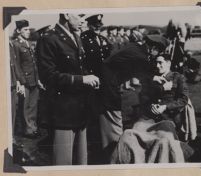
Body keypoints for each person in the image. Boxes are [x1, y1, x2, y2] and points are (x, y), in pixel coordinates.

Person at [36, 13, 100, 165]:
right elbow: (48, 76)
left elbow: (77, 67)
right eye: (79, 15)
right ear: (65, 14)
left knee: (81, 161)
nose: (83, 20)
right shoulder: (49, 38)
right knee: (63, 163)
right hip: (62, 112)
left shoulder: (75, 37)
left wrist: (90, 78)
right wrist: (82, 79)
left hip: (81, 109)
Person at [110, 53, 193, 164]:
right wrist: (152, 103)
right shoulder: (151, 78)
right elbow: (143, 97)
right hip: (148, 117)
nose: (157, 65)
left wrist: (165, 107)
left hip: (167, 118)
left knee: (164, 140)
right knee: (128, 135)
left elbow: (183, 100)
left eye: (160, 62)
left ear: (168, 63)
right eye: (156, 62)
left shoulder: (178, 77)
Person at [81, 15, 123, 163]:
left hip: (105, 85)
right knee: (91, 115)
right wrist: (88, 77)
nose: (98, 27)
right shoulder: (84, 40)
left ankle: (103, 149)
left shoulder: (104, 40)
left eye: (99, 25)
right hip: (91, 84)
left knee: (102, 114)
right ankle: (93, 149)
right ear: (90, 25)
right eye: (95, 25)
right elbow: (82, 63)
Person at [12, 20, 43, 138]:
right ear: (18, 31)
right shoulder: (16, 44)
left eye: (29, 29)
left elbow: (34, 64)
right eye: (25, 30)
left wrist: (38, 79)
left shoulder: (29, 43)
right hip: (25, 80)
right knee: (25, 106)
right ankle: (28, 130)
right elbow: (17, 64)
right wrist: (21, 81)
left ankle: (33, 127)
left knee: (33, 105)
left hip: (34, 79)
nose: (28, 32)